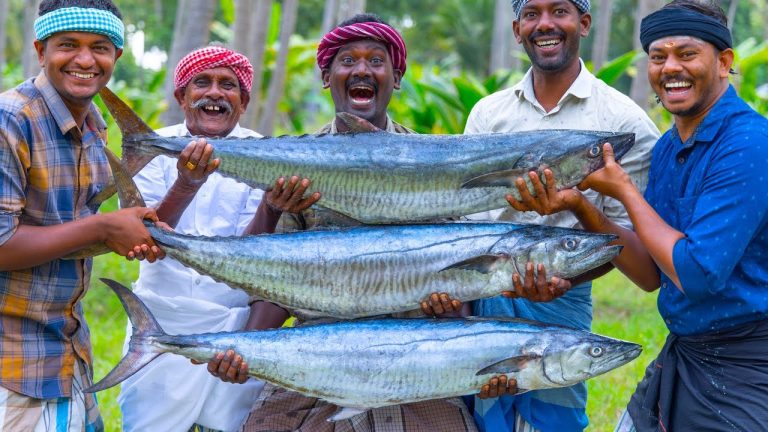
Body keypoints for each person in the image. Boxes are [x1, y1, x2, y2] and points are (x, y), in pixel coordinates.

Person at [236, 13, 478, 432]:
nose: (362, 70)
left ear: (396, 78)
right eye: (347, 61)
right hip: (321, 358)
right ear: (326, 77)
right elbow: (272, 279)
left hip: (416, 363)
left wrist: (453, 310)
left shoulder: (433, 160)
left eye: (376, 61)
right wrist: (245, 349)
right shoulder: (299, 162)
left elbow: (463, 265)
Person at [556, 1, 766, 430]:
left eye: (687, 54)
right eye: (658, 56)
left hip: (748, 365)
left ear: (724, 62)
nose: (671, 68)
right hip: (685, 354)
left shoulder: (749, 144)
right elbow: (653, 274)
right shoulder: (670, 148)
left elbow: (697, 273)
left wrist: (624, 190)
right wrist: (581, 205)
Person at [462, 0, 660, 430]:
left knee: (554, 418)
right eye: (531, 14)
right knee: (479, 415)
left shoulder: (623, 123)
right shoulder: (488, 115)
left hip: (563, 308)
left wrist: (567, 277)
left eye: (560, 11)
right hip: (484, 304)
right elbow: (467, 224)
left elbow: (630, 244)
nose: (545, 24)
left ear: (583, 23)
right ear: (517, 29)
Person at [116, 45, 319, 432]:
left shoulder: (266, 153)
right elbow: (142, 240)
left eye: (228, 85)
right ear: (182, 97)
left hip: (235, 323)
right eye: (202, 83)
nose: (214, 93)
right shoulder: (152, 148)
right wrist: (187, 183)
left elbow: (251, 257)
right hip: (162, 319)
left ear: (243, 103)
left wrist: (271, 208)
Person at [0, 0, 164, 430]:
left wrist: (128, 231)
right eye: (68, 45)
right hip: (11, 364)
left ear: (117, 56)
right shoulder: (10, 120)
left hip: (67, 352)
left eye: (100, 47)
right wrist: (104, 226)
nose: (85, 60)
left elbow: (65, 233)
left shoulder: (93, 126)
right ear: (41, 50)